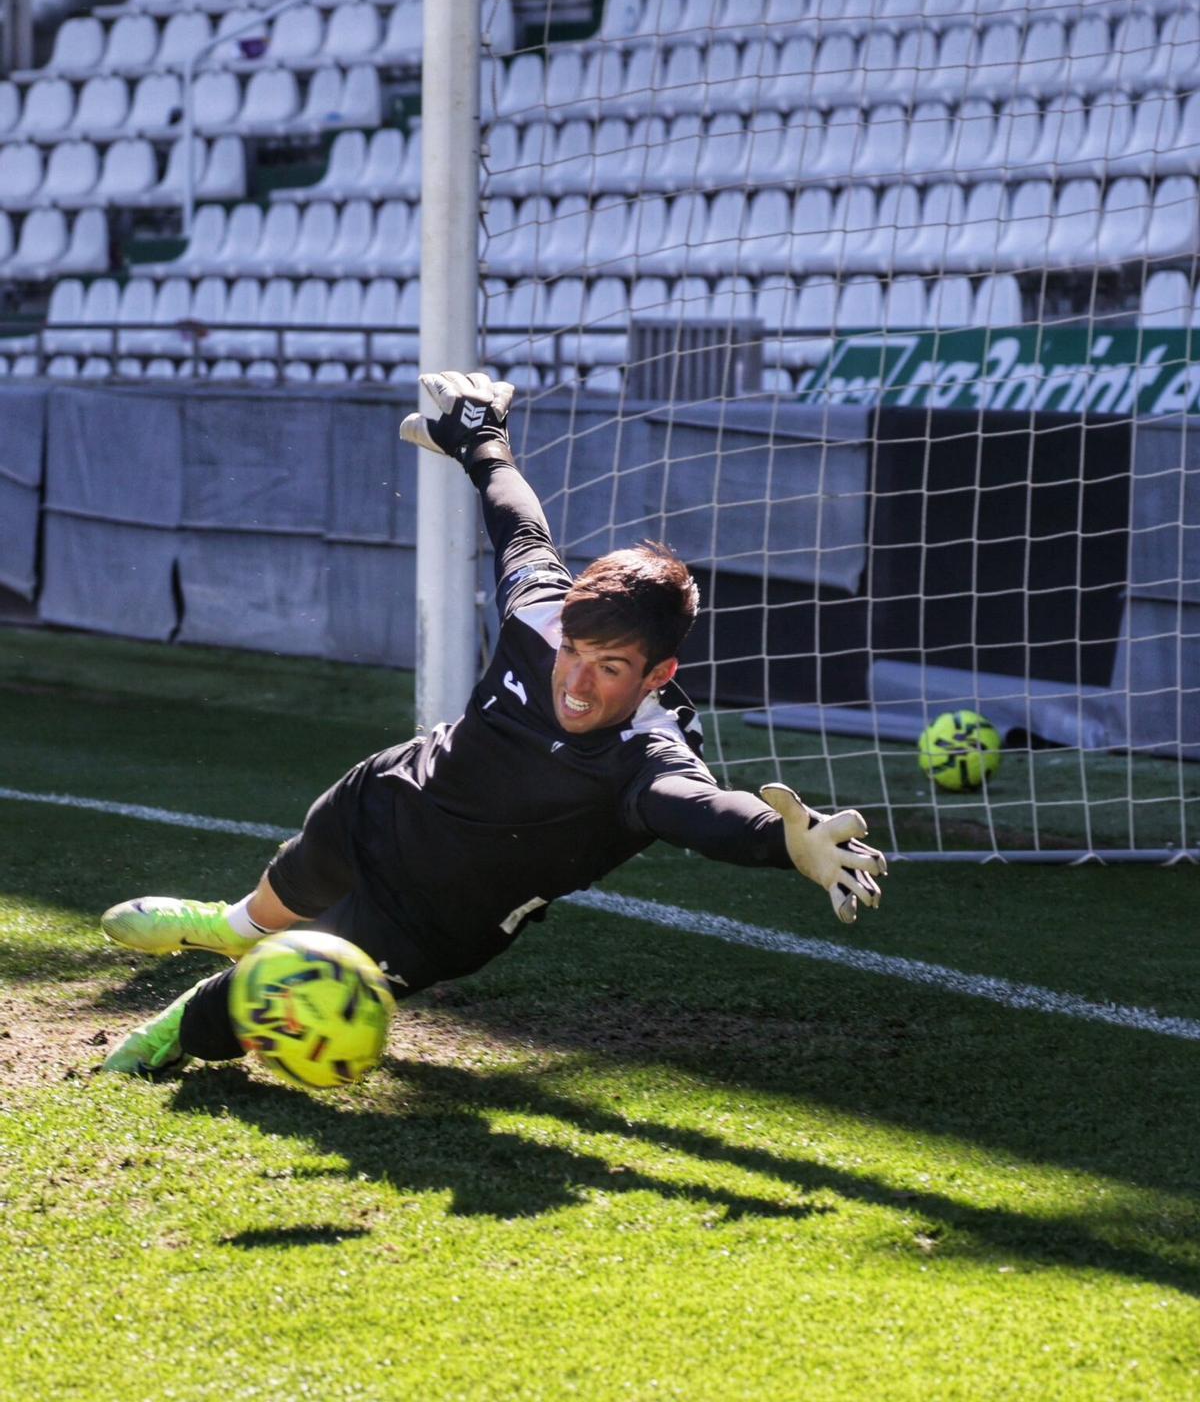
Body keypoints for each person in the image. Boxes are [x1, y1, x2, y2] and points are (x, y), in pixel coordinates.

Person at [99, 371, 886, 1076]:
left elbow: (704, 812)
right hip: (390, 797)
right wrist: (482, 437)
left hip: (433, 918)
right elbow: (519, 524)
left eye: (609, 668)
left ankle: (190, 1014)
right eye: (573, 651)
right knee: (295, 880)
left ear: (657, 675)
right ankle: (235, 924)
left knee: (236, 1015)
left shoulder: (650, 753)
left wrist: (786, 841)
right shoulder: (543, 613)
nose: (576, 680)